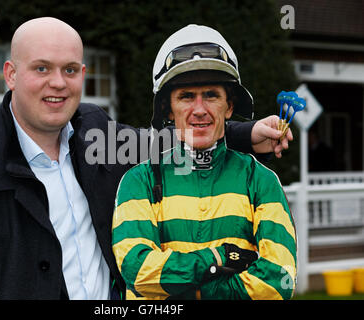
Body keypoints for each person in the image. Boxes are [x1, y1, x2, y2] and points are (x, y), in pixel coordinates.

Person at [0, 17, 291, 300]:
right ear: (10, 74)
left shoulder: (101, 137)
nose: (58, 83)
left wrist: (247, 132)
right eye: (42, 68)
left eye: (70, 70)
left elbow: (174, 136)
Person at [112, 24, 297, 300]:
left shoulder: (261, 180)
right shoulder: (139, 180)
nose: (199, 109)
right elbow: (137, 270)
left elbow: (278, 280)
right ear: (168, 110)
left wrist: (188, 291)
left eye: (211, 95)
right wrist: (218, 257)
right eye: (186, 97)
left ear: (229, 106)